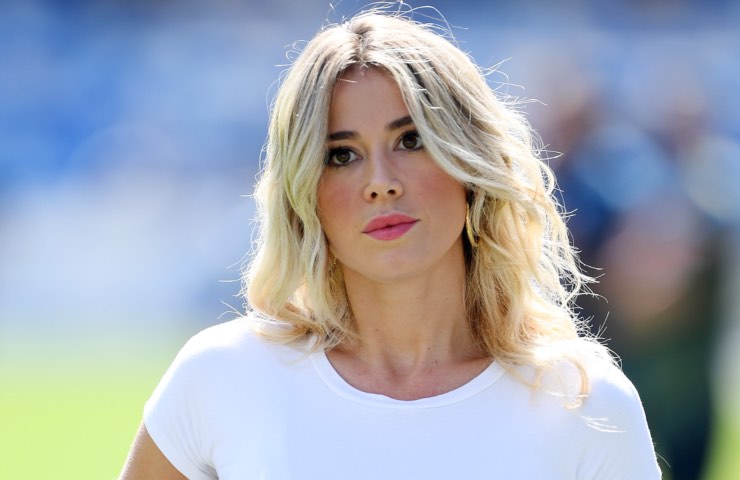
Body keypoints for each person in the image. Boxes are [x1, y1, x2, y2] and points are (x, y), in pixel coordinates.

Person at [119, 7, 661, 479]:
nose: (381, 182)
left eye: (411, 140)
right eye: (341, 155)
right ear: (304, 194)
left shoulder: (586, 404)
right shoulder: (223, 377)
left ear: (470, 164)